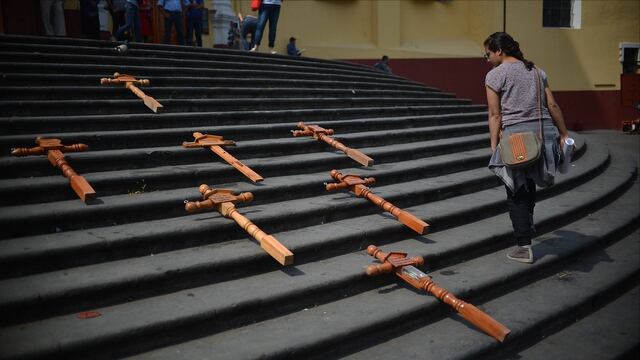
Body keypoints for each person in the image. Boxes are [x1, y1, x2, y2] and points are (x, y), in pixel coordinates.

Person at [484, 32, 570, 264]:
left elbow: (495, 114)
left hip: (518, 138)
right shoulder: (536, 71)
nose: (488, 58)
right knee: (528, 185)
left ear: (499, 50)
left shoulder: (495, 75)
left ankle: (523, 247)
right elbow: (552, 104)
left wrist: (494, 145)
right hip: (545, 135)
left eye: (488, 53)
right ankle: (527, 226)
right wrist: (563, 134)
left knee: (516, 190)